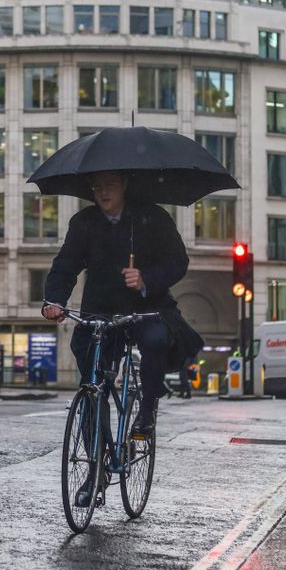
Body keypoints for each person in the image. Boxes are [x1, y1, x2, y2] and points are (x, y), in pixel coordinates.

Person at [42, 170, 188, 440]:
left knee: (155, 340)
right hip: (100, 309)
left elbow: (178, 261)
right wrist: (54, 300)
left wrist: (146, 279)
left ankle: (147, 407)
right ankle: (98, 465)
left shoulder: (153, 218)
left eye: (110, 185)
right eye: (97, 187)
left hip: (145, 307)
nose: (103, 192)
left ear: (125, 185)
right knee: (91, 383)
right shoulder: (83, 222)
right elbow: (65, 265)